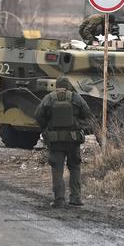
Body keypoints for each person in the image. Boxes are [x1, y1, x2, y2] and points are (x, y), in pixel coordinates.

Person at [34, 76, 91, 208]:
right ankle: (76, 198)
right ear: (68, 86)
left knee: (57, 170)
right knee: (75, 167)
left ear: (56, 85)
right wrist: (79, 124)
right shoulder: (76, 98)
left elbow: (38, 115)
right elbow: (87, 114)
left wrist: (47, 128)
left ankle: (59, 200)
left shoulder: (49, 98)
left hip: (55, 141)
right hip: (73, 140)